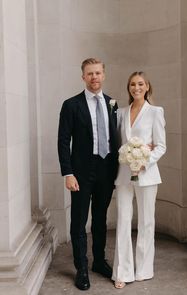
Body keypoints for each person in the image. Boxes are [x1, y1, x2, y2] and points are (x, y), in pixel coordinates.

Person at [57, 58, 118, 291]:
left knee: (101, 218)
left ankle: (99, 262)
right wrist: (68, 173)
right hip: (81, 172)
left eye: (98, 73)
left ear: (104, 75)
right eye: (90, 73)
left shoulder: (112, 103)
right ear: (83, 76)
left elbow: (116, 137)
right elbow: (63, 141)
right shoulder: (71, 105)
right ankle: (81, 268)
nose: (94, 77)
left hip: (106, 169)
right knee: (79, 221)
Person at [112, 71, 166, 289]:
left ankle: (144, 269)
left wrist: (145, 159)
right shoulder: (121, 113)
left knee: (146, 222)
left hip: (147, 174)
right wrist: (126, 155)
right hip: (124, 174)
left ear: (147, 87)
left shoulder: (155, 112)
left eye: (140, 84)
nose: (136, 88)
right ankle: (122, 271)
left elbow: (161, 145)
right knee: (124, 221)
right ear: (129, 88)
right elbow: (116, 142)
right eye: (132, 84)